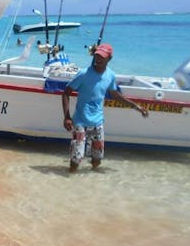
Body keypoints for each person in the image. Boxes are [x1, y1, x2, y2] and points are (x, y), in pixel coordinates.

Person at [62, 43, 149, 172]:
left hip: (98, 122)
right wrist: (67, 117)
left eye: (102, 57)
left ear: (109, 59)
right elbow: (66, 93)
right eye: (97, 56)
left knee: (97, 159)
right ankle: (70, 180)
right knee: (76, 159)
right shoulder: (83, 74)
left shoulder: (111, 75)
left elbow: (115, 94)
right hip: (80, 121)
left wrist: (137, 107)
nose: (98, 59)